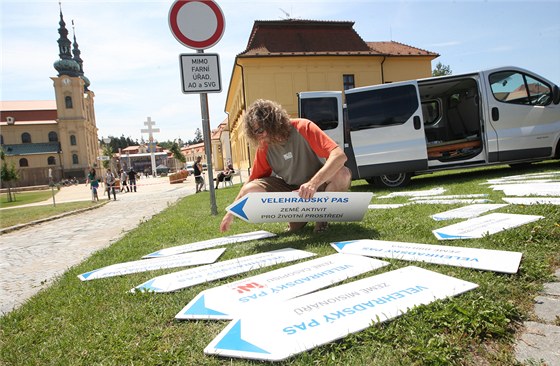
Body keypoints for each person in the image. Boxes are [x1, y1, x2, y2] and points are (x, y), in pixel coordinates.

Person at [220, 99, 352, 233]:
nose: (258, 137)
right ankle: (297, 217)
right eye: (254, 133)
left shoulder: (303, 127)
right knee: (250, 189)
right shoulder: (264, 147)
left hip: (318, 188)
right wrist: (230, 212)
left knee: (343, 174)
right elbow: (251, 182)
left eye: (260, 130)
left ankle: (321, 221)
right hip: (293, 193)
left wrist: (313, 184)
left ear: (272, 122)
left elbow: (339, 156)